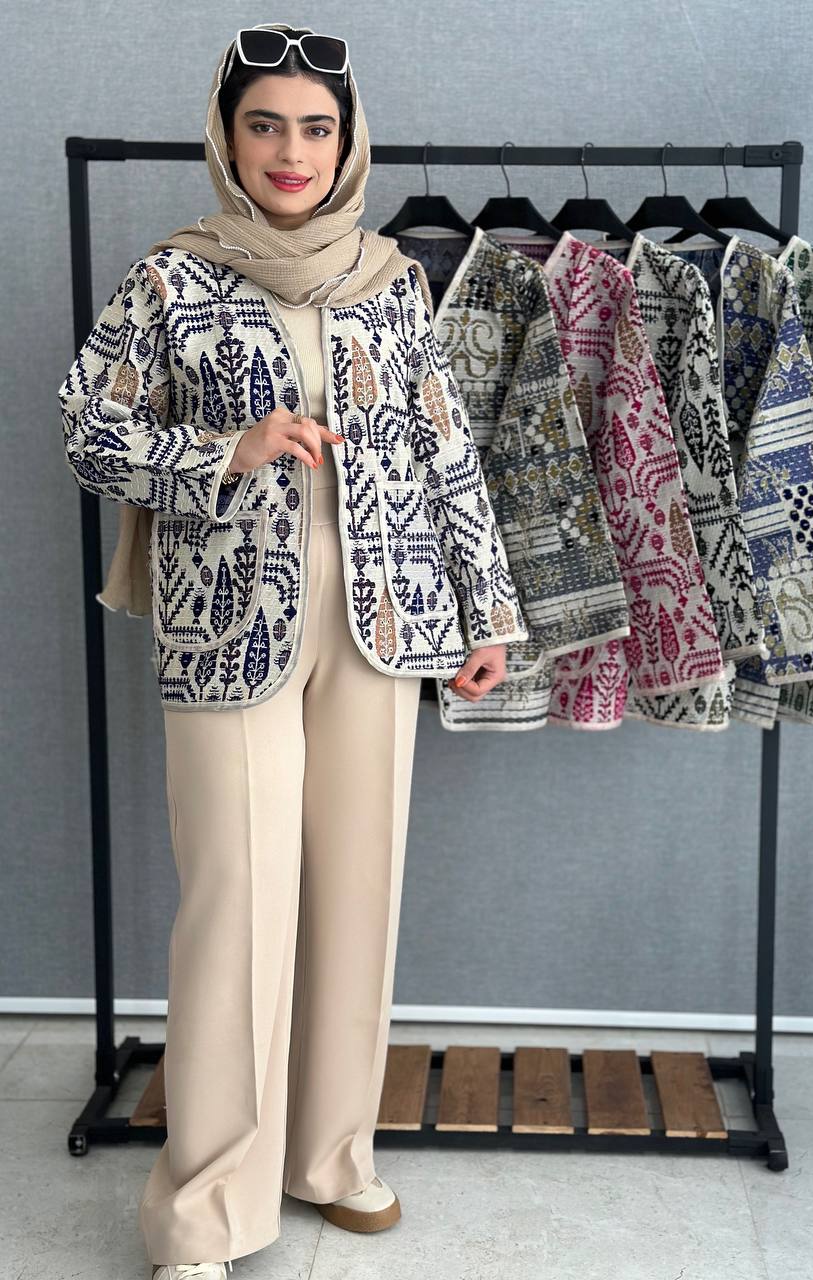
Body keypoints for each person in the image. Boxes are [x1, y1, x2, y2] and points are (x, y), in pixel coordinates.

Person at [59, 23, 528, 1280]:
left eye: (316, 127)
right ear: (228, 137)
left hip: (383, 620)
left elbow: (444, 449)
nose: (291, 151)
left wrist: (485, 613)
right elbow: (86, 430)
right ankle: (206, 1210)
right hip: (227, 620)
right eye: (264, 123)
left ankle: (331, 1153)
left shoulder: (390, 281)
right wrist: (227, 449)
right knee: (238, 906)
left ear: (347, 140)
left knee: (357, 894)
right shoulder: (174, 279)